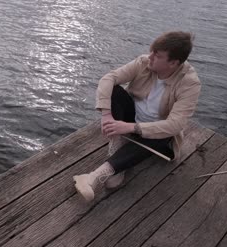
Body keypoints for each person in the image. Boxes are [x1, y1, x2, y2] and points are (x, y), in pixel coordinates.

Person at [73, 31, 201, 202]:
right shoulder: (144, 63)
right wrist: (107, 115)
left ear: (173, 63)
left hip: (154, 132)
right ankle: (119, 145)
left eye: (157, 55)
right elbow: (108, 78)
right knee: (115, 90)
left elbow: (176, 124)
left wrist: (131, 128)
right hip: (130, 118)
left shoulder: (190, 83)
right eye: (152, 51)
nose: (150, 57)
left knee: (164, 133)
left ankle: (94, 176)